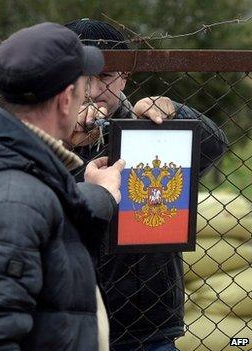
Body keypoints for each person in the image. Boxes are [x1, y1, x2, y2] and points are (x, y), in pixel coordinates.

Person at [0, 22, 125, 351]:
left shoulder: (2, 162)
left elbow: (41, 223)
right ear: (65, 99)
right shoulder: (15, 204)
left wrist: (98, 195)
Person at [65, 18, 229, 351]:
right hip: (67, 319)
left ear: (125, 77)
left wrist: (175, 114)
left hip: (147, 321)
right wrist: (64, 142)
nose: (93, 90)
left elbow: (214, 146)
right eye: (79, 77)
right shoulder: (40, 135)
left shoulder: (146, 126)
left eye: (106, 76)